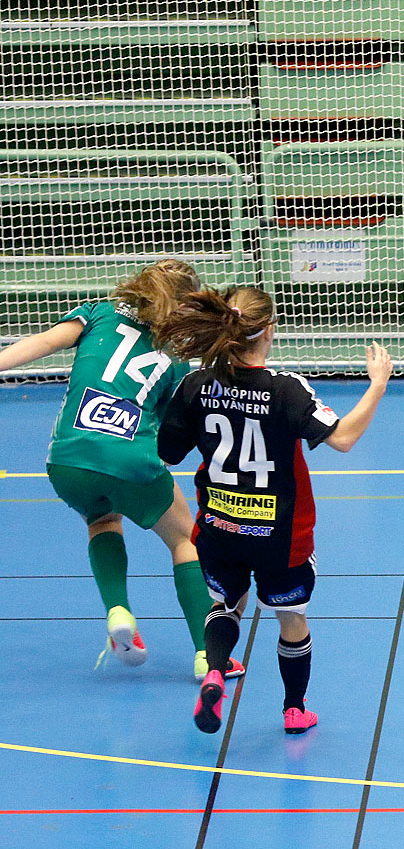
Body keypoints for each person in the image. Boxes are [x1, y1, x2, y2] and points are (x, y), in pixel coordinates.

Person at [155, 286, 391, 735]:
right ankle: (294, 708)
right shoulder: (285, 389)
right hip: (280, 534)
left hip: (221, 523)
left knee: (225, 603)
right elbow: (342, 438)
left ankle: (214, 670)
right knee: (291, 619)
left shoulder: (195, 385)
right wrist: (377, 384)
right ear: (269, 332)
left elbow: (167, 451)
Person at [0, 258, 243, 681]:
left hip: (67, 461)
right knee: (185, 539)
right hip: (131, 460)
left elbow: (43, 342)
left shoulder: (97, 312)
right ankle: (209, 655)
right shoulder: (176, 359)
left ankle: (117, 608)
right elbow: (168, 443)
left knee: (101, 518)